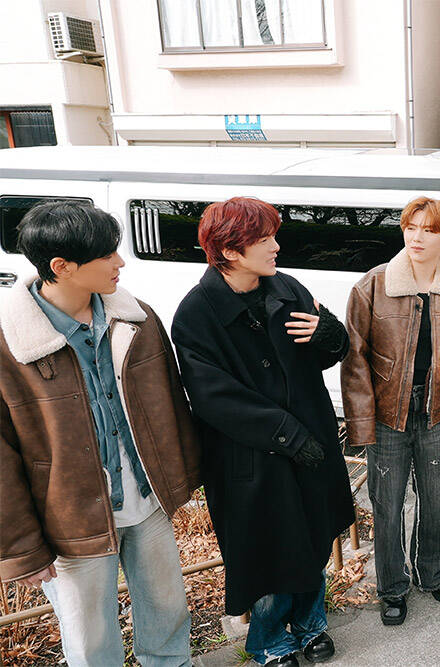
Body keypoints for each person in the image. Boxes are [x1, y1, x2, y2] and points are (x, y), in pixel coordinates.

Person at [0, 201, 200, 666]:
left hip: (148, 501)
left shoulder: (137, 318)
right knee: (91, 642)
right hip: (69, 520)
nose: (120, 262)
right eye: (107, 254)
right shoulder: (9, 344)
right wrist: (22, 549)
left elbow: (173, 403)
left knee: (169, 616)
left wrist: (182, 478)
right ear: (61, 267)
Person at [171, 197, 354, 667]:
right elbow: (213, 396)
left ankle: (311, 624)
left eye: (273, 235)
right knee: (269, 551)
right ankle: (269, 639)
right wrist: (288, 434)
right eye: (264, 239)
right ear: (230, 251)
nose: (276, 246)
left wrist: (330, 335)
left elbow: (328, 349)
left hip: (310, 440)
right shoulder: (196, 313)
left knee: (313, 536)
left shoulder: (286, 287)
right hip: (250, 455)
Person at [341, 196, 440, 626]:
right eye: (411, 227)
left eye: (429, 230)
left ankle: (433, 573)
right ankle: (391, 586)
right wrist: (361, 421)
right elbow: (355, 358)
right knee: (387, 503)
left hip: (435, 411)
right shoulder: (374, 284)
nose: (417, 237)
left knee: (435, 499)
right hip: (388, 414)